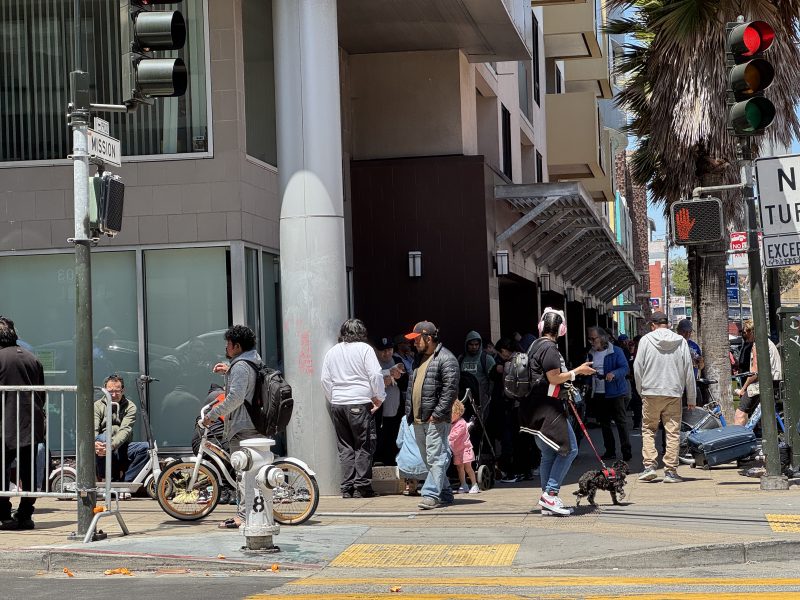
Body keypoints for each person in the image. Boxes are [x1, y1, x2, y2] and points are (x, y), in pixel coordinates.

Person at [519, 308, 596, 516]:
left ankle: (547, 498)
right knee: (568, 449)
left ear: (541, 326)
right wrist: (577, 372)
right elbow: (554, 378)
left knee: (548, 453)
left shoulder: (534, 345)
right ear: (562, 329)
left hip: (533, 408)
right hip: (548, 408)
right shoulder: (550, 349)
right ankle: (550, 494)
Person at [201, 325, 265, 528]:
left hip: (242, 425)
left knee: (244, 473)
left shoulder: (240, 366)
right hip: (253, 423)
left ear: (237, 346)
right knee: (249, 472)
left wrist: (212, 415)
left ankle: (244, 517)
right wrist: (228, 371)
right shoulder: (252, 360)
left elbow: (236, 397)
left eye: (228, 345)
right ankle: (252, 512)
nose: (226, 348)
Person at [320, 319, 385, 499]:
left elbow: (325, 379)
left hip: (338, 403)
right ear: (362, 333)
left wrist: (333, 398)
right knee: (364, 445)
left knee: (345, 446)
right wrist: (380, 397)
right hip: (360, 402)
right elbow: (375, 374)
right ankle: (362, 486)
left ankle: (347, 487)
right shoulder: (365, 349)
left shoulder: (332, 351)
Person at [634, 311, 696, 483]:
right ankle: (670, 471)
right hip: (673, 392)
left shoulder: (646, 340)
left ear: (652, 325)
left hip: (650, 391)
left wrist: (641, 390)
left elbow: (638, 368)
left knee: (648, 429)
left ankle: (649, 467)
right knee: (673, 432)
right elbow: (688, 370)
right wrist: (691, 397)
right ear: (667, 324)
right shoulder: (681, 341)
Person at [404, 320, 459, 510]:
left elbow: (450, 390)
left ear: (428, 338)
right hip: (419, 418)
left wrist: (437, 414)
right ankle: (445, 493)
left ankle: (430, 494)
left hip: (435, 419)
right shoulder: (419, 359)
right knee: (429, 459)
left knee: (436, 457)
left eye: (417, 339)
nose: (414, 343)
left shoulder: (446, 358)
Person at [0, 316, 45, 530]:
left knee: (1, 470)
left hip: (5, 425)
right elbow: (41, 394)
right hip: (31, 424)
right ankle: (25, 515)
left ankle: (3, 515)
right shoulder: (31, 358)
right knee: (28, 471)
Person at [586, 327, 632, 461]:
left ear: (602, 338)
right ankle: (610, 450)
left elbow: (624, 368)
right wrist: (587, 382)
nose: (591, 342)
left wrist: (614, 374)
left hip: (615, 392)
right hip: (599, 392)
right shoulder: (590, 353)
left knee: (621, 422)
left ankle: (626, 450)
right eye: (590, 339)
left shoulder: (616, 351)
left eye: (593, 339)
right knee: (604, 423)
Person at [94, 374, 149, 484]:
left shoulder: (130, 406)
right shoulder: (97, 405)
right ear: (105, 390)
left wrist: (113, 445)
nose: (113, 395)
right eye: (110, 391)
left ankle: (125, 482)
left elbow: (125, 429)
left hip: (122, 446)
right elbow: (93, 428)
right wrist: (94, 443)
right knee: (104, 438)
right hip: (102, 445)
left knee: (146, 448)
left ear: (123, 390)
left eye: (117, 391)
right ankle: (108, 479)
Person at [734, 320, 783, 426]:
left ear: (751, 331)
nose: (745, 335)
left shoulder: (758, 345)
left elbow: (755, 373)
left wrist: (743, 389)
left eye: (746, 332)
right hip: (773, 381)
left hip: (764, 383)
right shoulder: (766, 342)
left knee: (740, 414)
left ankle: (738, 440)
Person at [373, 336, 407, 466]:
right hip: (378, 414)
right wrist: (382, 382)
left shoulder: (397, 361)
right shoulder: (372, 363)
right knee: (378, 443)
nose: (386, 353)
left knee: (394, 442)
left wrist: (399, 378)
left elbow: (406, 383)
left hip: (395, 412)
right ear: (375, 350)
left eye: (389, 350)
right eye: (382, 350)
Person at [459, 331, 496, 420]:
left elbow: (493, 380)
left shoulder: (487, 359)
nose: (474, 347)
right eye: (471, 344)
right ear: (467, 344)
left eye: (476, 344)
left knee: (481, 424)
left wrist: (488, 395)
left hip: (482, 400)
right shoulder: (461, 358)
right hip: (464, 399)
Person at [449, 399, 479, 494]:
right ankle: (463, 484)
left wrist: (446, 437)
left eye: (451, 414)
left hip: (465, 449)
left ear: (458, 413)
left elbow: (454, 435)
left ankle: (474, 484)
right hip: (457, 451)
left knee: (468, 467)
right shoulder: (451, 424)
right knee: (459, 468)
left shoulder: (461, 423)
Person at [396, 416, 428, 496]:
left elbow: (399, 442)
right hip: (424, 465)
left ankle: (409, 483)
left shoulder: (404, 419)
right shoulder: (428, 418)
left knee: (403, 453)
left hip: (405, 464)